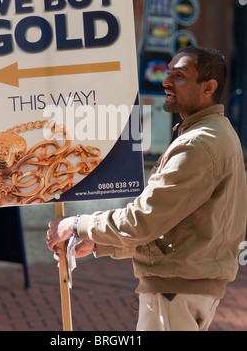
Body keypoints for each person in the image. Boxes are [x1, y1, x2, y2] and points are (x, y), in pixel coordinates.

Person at [46, 46, 247, 331]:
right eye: (168, 74)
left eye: (179, 76)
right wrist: (100, 243)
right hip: (184, 289)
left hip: (176, 291)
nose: (166, 82)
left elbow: (144, 221)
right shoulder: (214, 133)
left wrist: (78, 224)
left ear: (208, 87)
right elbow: (169, 225)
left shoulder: (199, 143)